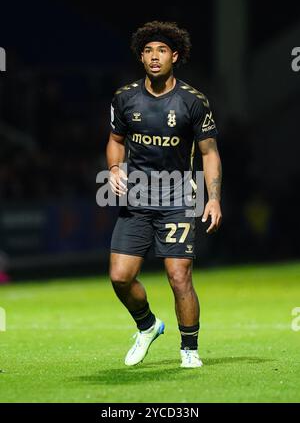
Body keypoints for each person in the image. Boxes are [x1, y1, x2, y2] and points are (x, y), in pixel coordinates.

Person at [106, 21, 222, 368]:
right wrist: (113, 169)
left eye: (161, 51)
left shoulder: (193, 101)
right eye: (147, 51)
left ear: (175, 55)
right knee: (120, 277)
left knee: (178, 275)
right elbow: (115, 142)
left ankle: (189, 350)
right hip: (137, 200)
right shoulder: (124, 98)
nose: (154, 57)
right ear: (141, 58)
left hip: (177, 200)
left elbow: (209, 152)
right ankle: (148, 326)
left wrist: (213, 197)